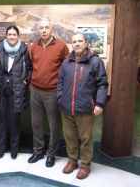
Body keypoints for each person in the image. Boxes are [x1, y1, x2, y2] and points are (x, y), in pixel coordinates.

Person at [57, 32, 108, 179]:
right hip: (66, 108)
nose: (77, 44)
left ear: (86, 43)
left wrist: (99, 103)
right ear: (71, 44)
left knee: (86, 139)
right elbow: (59, 81)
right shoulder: (66, 61)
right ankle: (72, 161)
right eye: (74, 41)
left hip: (86, 109)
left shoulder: (95, 61)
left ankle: (85, 165)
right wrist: (60, 98)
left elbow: (102, 84)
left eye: (80, 41)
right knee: (70, 137)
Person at [28, 17, 69, 167]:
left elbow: (67, 68)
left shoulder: (61, 46)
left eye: (46, 27)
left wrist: (62, 89)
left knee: (54, 125)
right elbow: (33, 65)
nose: (44, 30)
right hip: (35, 90)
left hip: (53, 92)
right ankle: (38, 151)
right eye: (41, 28)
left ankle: (51, 154)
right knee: (36, 123)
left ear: (52, 29)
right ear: (38, 29)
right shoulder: (34, 46)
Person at [0, 25, 32, 159]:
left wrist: (25, 81)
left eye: (14, 34)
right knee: (1, 121)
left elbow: (30, 69)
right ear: (6, 36)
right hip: (1, 90)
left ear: (18, 36)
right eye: (9, 34)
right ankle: (1, 149)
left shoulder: (24, 50)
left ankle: (14, 150)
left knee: (14, 121)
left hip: (17, 91)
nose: (12, 37)